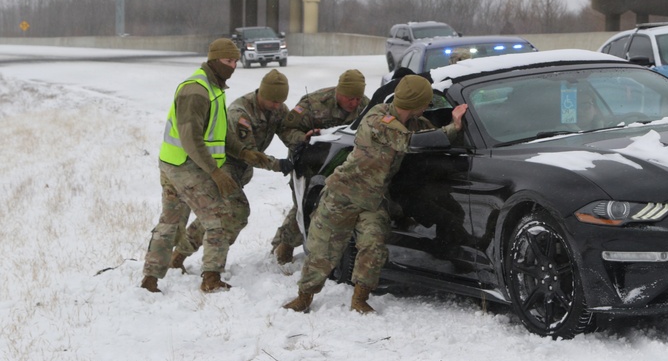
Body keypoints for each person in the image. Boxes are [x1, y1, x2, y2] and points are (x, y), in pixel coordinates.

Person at [283, 75, 468, 314]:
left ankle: (360, 299)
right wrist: (453, 126)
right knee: (324, 249)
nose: (428, 106)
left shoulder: (413, 122)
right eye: (426, 102)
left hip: (373, 200)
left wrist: (457, 129)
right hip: (343, 195)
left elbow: (432, 136)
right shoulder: (377, 118)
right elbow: (408, 142)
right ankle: (304, 297)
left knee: (373, 248)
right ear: (416, 103)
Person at [140, 38, 245, 294]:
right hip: (185, 166)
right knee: (218, 218)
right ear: (214, 60)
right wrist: (215, 172)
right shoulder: (196, 89)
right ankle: (211, 279)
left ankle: (150, 280)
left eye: (235, 61)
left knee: (171, 221)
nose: (232, 66)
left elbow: (218, 133)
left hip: (175, 163)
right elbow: (190, 138)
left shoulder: (212, 87)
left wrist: (245, 153)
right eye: (227, 61)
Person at [169, 69, 294, 273]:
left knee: (216, 215)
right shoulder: (240, 114)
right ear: (262, 93)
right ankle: (210, 266)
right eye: (273, 101)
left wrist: (305, 141)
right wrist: (279, 164)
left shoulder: (277, 108)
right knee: (235, 213)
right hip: (224, 169)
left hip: (240, 172)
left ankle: (179, 256)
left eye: (280, 102)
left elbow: (289, 130)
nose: (277, 106)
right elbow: (250, 153)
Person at [270, 69, 370, 265]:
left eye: (358, 98)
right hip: (309, 163)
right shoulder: (313, 103)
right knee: (305, 206)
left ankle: (283, 241)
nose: (355, 103)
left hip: (341, 164)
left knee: (323, 206)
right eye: (350, 98)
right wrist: (304, 138)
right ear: (339, 92)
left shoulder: (364, 105)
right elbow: (287, 129)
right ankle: (285, 246)